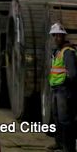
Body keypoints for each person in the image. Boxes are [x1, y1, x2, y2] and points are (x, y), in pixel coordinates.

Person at [49, 22, 77, 152]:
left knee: (65, 120)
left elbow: (73, 73)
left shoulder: (68, 52)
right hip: (56, 89)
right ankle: (59, 143)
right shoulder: (57, 52)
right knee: (57, 118)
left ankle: (69, 148)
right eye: (54, 35)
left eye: (59, 35)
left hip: (64, 90)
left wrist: (68, 86)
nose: (56, 38)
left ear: (63, 36)